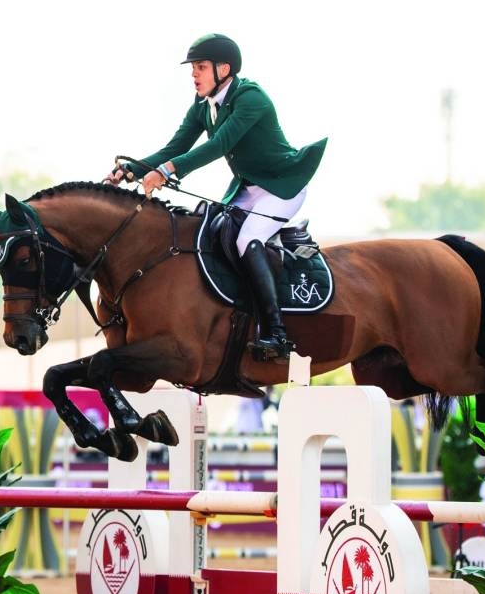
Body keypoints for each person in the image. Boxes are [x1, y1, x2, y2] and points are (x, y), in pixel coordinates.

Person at [107, 33, 327, 360]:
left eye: (200, 67)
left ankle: (278, 334)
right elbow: (175, 147)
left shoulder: (251, 98)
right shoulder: (203, 106)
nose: (193, 75)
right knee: (208, 230)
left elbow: (217, 146)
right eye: (193, 68)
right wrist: (134, 170)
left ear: (223, 69)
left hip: (283, 185)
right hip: (250, 188)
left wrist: (167, 171)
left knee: (246, 240)